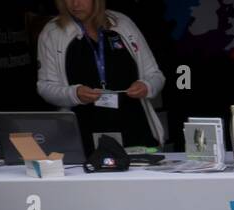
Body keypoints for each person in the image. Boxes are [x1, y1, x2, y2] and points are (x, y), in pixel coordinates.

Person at [36, 0, 165, 151]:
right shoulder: (53, 32)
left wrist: (146, 86)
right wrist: (74, 93)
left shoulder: (122, 24)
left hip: (134, 130)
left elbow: (156, 75)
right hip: (82, 137)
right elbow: (45, 87)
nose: (75, 4)